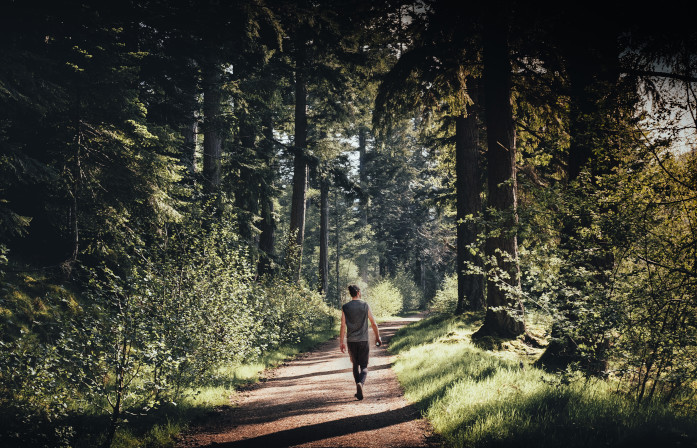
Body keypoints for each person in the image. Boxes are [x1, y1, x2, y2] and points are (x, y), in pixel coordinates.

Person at [339, 284, 382, 400]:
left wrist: (341, 342)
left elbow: (343, 325)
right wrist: (378, 337)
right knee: (364, 366)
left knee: (355, 364)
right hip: (363, 340)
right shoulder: (365, 305)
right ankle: (361, 384)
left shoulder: (345, 307)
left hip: (351, 341)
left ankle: (358, 386)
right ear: (358, 292)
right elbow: (373, 322)